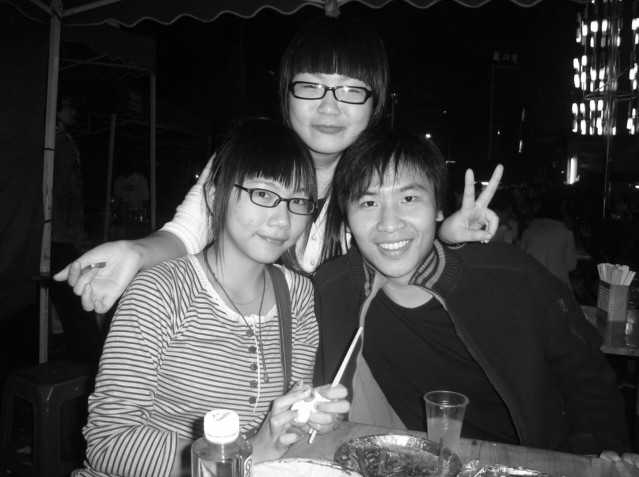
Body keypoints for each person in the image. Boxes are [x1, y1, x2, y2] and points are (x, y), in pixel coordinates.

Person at [54, 16, 501, 314]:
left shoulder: (377, 175)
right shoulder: (252, 155)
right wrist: (135, 252)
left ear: (375, 102)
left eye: (350, 90)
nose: (329, 107)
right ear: (286, 93)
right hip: (257, 341)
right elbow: (188, 232)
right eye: (310, 86)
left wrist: (446, 235)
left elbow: (396, 243)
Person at [313, 126, 639, 466]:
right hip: (419, 465)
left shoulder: (510, 275)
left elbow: (585, 372)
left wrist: (598, 449)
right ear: (346, 219)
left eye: (409, 199)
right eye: (369, 202)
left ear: (439, 209)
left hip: (534, 463)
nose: (389, 223)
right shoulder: (334, 288)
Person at [75, 119, 349, 477]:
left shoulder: (297, 295)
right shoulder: (160, 291)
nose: (283, 220)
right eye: (263, 195)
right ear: (215, 196)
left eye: (298, 201)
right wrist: (242, 455)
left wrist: (306, 415)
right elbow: (109, 442)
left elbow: (284, 425)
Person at [50, 95, 104, 365]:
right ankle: (88, 361)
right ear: (56, 110)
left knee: (72, 300)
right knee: (75, 300)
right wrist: (74, 231)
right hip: (59, 234)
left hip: (62, 232)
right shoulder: (57, 143)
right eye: (69, 106)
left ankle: (82, 357)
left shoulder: (62, 141)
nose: (74, 111)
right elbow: (62, 192)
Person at [520, 188, 577, 289]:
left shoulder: (528, 232)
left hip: (532, 286)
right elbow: (570, 266)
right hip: (557, 287)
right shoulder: (565, 234)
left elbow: (521, 260)